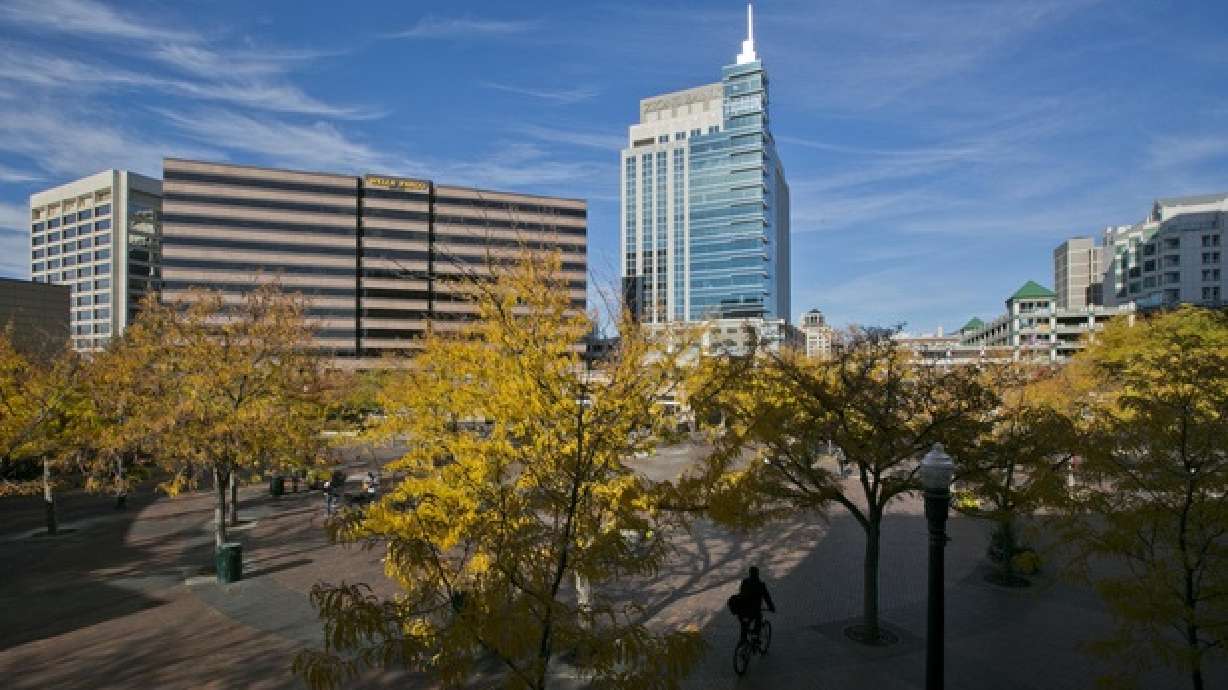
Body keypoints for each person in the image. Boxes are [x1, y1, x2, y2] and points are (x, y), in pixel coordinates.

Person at [737, 566, 776, 644]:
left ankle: (743, 640)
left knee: (745, 624)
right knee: (758, 619)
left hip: (743, 609)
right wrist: (771, 607)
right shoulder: (760, 585)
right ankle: (755, 637)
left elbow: (741, 593)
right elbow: (766, 597)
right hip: (754, 610)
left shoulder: (745, 582)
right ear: (757, 574)